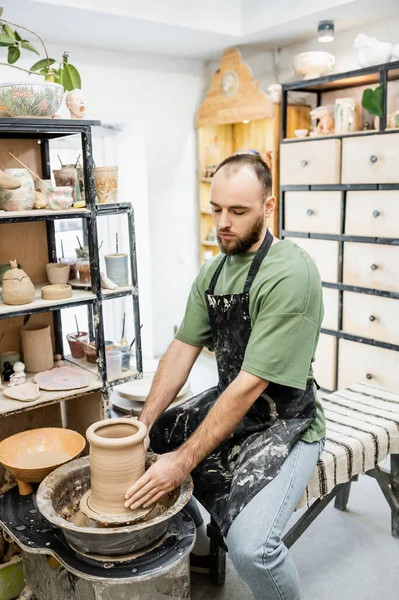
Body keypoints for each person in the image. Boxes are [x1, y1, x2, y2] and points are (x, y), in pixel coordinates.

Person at [124, 154, 326, 600]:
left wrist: (182, 461)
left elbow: (251, 384)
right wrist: (141, 424)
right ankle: (199, 540)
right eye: (217, 209)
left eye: (238, 211)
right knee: (147, 439)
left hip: (285, 420)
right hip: (235, 399)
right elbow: (180, 351)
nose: (223, 223)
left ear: (269, 207)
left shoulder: (290, 273)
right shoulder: (213, 272)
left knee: (253, 550)